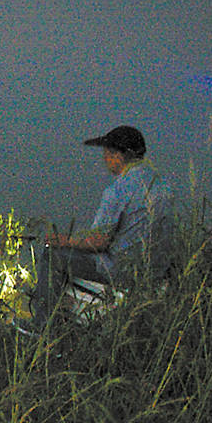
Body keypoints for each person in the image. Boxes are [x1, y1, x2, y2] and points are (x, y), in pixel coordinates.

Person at [28, 125, 172, 323]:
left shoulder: (118, 189)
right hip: (155, 271)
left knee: (53, 257)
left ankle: (43, 326)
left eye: (107, 152)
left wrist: (63, 240)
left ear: (117, 155)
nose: (104, 158)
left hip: (122, 270)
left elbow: (98, 241)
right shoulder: (162, 185)